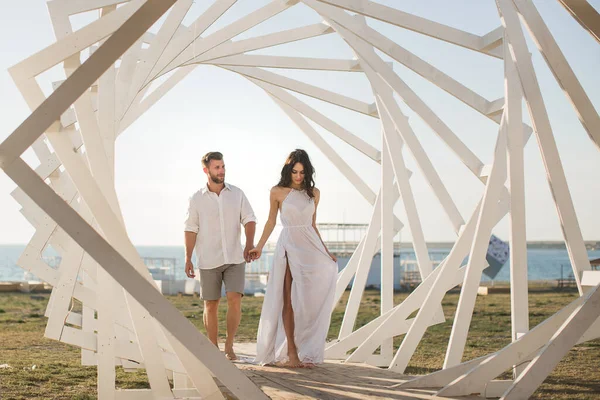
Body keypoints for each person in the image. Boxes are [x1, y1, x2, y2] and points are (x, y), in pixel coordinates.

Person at [250, 149, 338, 367]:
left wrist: (326, 252)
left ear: (307, 172)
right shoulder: (277, 192)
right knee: (287, 299)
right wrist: (259, 247)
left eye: (302, 172)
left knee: (307, 301)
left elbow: (313, 225)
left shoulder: (314, 193)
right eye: (294, 171)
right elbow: (271, 222)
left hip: (309, 245)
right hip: (289, 244)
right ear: (288, 170)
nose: (298, 176)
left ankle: (306, 347)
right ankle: (292, 353)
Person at [184, 151, 256, 361]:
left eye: (223, 166)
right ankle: (213, 348)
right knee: (211, 303)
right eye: (217, 167)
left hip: (235, 257)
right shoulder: (196, 198)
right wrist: (188, 258)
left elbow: (250, 219)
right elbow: (190, 229)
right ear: (206, 170)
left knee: (235, 299)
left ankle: (230, 347)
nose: (222, 171)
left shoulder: (237, 193)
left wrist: (249, 244)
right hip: (208, 259)